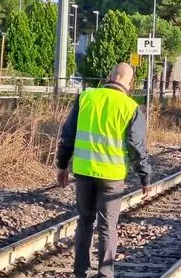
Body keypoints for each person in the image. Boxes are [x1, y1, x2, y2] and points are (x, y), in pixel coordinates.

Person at [56, 63, 152, 278]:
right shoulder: (130, 107)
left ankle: (80, 272)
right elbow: (137, 147)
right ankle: (105, 273)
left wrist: (62, 165)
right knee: (108, 226)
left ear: (110, 76)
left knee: (85, 220)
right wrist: (145, 177)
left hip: (83, 171)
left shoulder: (86, 97)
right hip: (112, 176)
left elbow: (67, 135)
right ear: (130, 83)